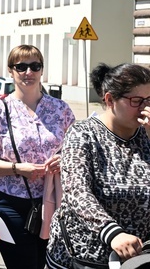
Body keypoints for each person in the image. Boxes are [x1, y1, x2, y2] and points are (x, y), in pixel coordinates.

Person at [47, 63, 150, 268]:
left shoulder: (146, 135)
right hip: (84, 256)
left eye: (149, 100)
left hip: (137, 258)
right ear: (110, 99)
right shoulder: (83, 133)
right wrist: (113, 233)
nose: (145, 108)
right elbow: (77, 191)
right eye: (136, 101)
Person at [0, 45, 75, 269]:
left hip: (54, 200)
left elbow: (77, 152)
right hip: (9, 201)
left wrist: (64, 159)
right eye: (21, 67)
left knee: (48, 262)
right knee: (24, 263)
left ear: (42, 70)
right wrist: (18, 168)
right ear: (11, 71)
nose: (28, 72)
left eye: (35, 66)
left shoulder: (61, 109)